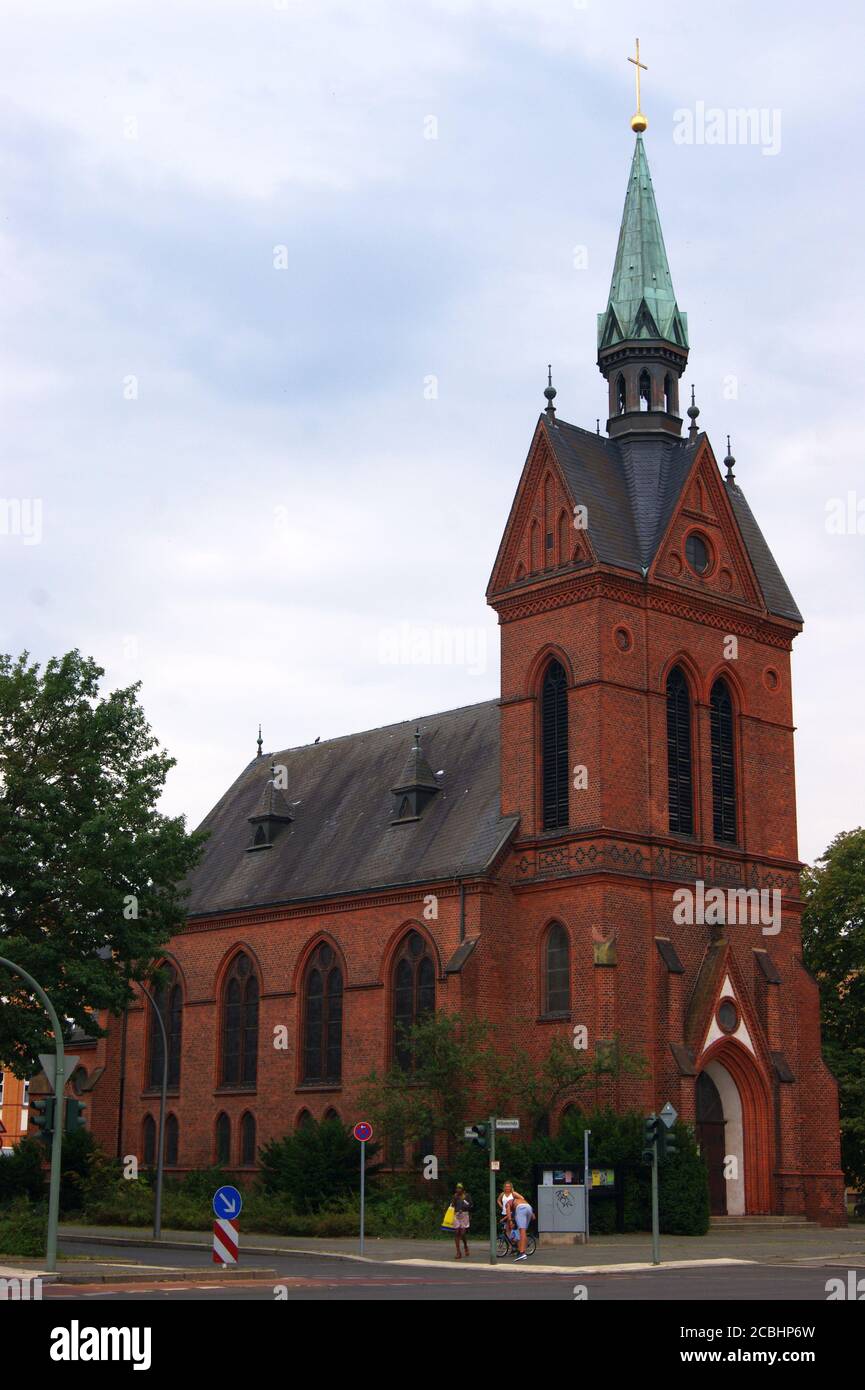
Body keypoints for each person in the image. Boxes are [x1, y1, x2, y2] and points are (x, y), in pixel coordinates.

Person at [498, 1181, 533, 1260]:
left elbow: (509, 1213)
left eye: (508, 1186)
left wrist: (510, 1221)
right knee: (521, 1231)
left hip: (521, 1209)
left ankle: (522, 1253)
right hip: (528, 1208)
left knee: (521, 1231)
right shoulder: (513, 1200)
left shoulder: (509, 1203)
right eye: (506, 1187)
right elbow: (524, 1202)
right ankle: (519, 1247)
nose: (507, 1188)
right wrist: (532, 1214)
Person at [451, 1182, 472, 1259]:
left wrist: (463, 1208)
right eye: (457, 1188)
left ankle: (465, 1246)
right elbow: (452, 1205)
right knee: (456, 1232)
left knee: (462, 1233)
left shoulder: (466, 1196)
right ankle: (458, 1252)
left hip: (464, 1215)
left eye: (459, 1188)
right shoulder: (455, 1196)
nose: (458, 1189)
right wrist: (453, 1204)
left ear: (463, 1189)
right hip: (456, 1215)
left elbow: (471, 1205)